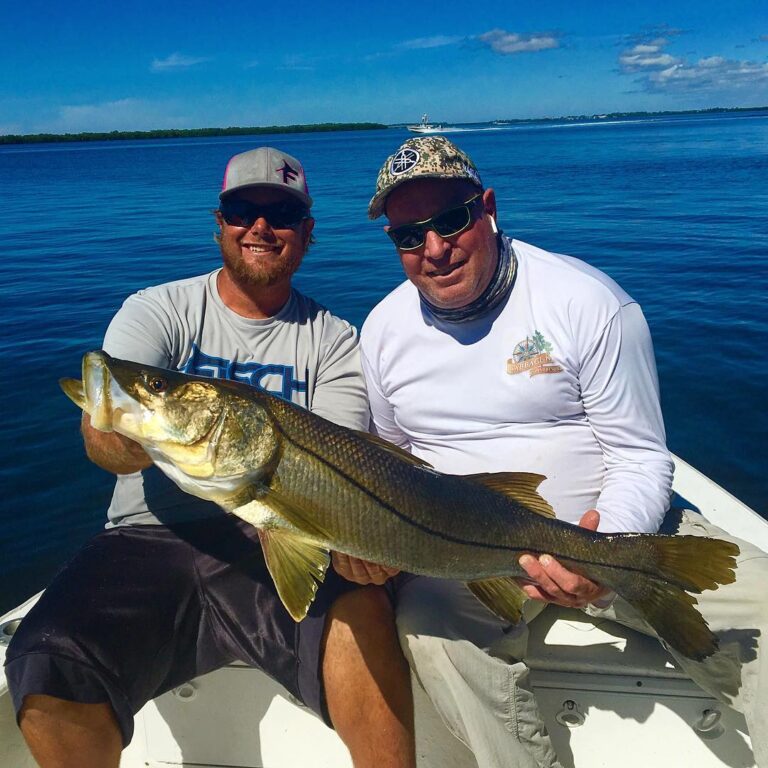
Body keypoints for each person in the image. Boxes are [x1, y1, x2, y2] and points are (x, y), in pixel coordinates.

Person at [345, 135, 768, 767]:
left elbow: (640, 456)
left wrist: (606, 549)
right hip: (462, 556)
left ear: (487, 208)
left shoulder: (584, 300)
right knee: (431, 637)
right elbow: (392, 464)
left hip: (614, 528)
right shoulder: (381, 330)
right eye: (408, 236)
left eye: (451, 221)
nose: (434, 250)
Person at [5, 147, 415, 768]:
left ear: (306, 234)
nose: (259, 226)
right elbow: (108, 439)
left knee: (365, 614)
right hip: (147, 537)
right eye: (241, 209)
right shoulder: (158, 310)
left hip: (276, 536)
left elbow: (331, 479)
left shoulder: (334, 340)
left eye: (280, 214)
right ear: (218, 223)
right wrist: (116, 432)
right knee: (46, 656)